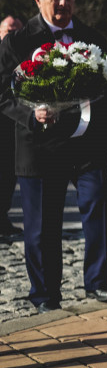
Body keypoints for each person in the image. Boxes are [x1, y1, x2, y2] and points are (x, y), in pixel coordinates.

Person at [0, 0, 107, 312]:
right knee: (41, 227)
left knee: (100, 206)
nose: (63, 2)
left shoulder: (90, 37)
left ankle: (98, 282)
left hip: (87, 143)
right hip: (38, 145)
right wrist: (31, 115)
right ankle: (45, 295)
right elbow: (2, 94)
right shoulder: (16, 42)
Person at [0, 15, 25, 236]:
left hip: (16, 122)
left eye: (16, 30)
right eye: (8, 30)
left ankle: (2, 217)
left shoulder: (26, 55)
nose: (12, 35)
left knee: (8, 174)